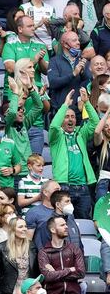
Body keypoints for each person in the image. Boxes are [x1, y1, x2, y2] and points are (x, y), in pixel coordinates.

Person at [48, 89, 99, 219]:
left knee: (84, 221)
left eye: (73, 117)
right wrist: (65, 105)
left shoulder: (81, 134)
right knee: (64, 221)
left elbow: (95, 123)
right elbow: (54, 126)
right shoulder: (56, 137)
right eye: (66, 116)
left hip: (83, 187)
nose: (70, 119)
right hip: (65, 186)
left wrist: (86, 102)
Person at [38, 216, 85, 294]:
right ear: (53, 230)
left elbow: (81, 272)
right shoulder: (44, 252)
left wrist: (56, 273)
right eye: (62, 225)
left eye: (66, 224)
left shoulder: (74, 249)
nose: (66, 227)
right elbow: (48, 277)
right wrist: (69, 270)